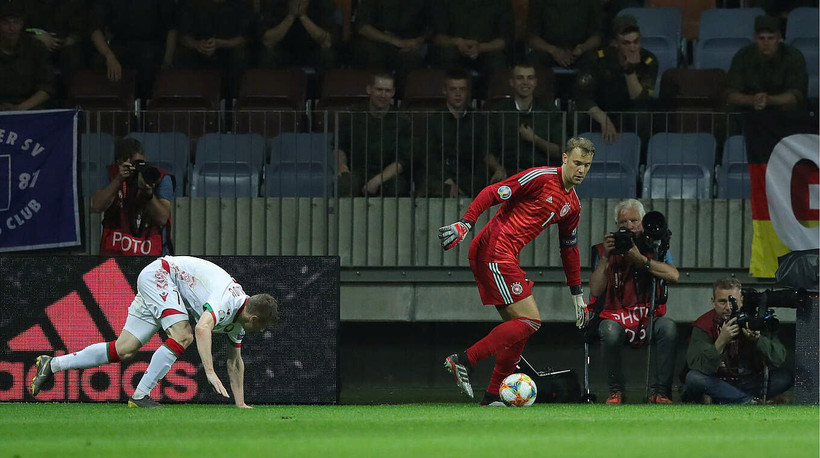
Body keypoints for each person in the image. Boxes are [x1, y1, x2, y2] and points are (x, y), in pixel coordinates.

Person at [439, 136, 594, 406]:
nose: (581, 170)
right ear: (565, 159)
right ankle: (462, 360)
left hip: (503, 255)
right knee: (531, 320)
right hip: (494, 251)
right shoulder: (541, 177)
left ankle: (491, 396)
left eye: (587, 165)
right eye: (578, 163)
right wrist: (466, 223)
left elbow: (569, 248)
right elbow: (492, 192)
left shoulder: (573, 205)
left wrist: (577, 293)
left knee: (520, 328)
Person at [30, 255, 281, 408]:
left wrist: (240, 403)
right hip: (161, 275)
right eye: (262, 327)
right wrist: (209, 372)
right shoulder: (227, 301)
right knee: (184, 334)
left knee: (124, 349)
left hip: (165, 284)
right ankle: (141, 395)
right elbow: (203, 327)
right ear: (254, 317)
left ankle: (52, 364)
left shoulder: (241, 318)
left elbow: (235, 362)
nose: (261, 332)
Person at [588, 199, 679, 404]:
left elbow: (674, 276)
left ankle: (661, 392)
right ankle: (616, 391)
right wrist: (605, 258)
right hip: (616, 316)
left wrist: (641, 260)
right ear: (616, 226)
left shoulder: (656, 246)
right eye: (623, 223)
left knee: (669, 328)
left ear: (643, 222)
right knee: (608, 331)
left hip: (648, 315)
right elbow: (595, 289)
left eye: (634, 221)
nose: (628, 226)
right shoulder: (605, 249)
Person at [682, 277, 793, 404]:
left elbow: (779, 358)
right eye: (722, 302)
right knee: (693, 379)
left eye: (733, 301)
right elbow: (697, 366)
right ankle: (748, 401)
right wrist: (720, 342)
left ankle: (730, 398)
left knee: (785, 377)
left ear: (741, 300)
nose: (728, 307)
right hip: (719, 381)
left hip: (749, 381)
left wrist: (758, 340)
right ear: (713, 302)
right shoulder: (704, 324)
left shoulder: (754, 320)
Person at [573, 14, 657, 144]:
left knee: (642, 115)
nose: (633, 48)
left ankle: (641, 160)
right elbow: (582, 97)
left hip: (629, 111)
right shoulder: (597, 59)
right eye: (626, 43)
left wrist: (630, 71)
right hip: (601, 109)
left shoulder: (648, 61)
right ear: (614, 43)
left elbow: (641, 101)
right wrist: (603, 118)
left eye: (636, 41)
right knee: (579, 116)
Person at [92, 138, 175, 256]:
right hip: (113, 257)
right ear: (120, 163)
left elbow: (162, 218)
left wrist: (148, 193)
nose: (136, 169)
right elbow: (96, 206)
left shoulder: (159, 177)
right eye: (132, 165)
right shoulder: (111, 174)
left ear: (145, 159)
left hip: (151, 255)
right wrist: (118, 179)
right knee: (98, 275)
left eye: (140, 163)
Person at [334, 72, 412, 197]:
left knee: (397, 186)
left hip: (388, 175)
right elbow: (339, 146)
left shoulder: (402, 120)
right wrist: (342, 166)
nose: (383, 95)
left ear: (393, 93)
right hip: (357, 172)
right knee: (345, 183)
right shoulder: (352, 116)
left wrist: (377, 180)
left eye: (387, 91)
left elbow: (402, 160)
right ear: (369, 89)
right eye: (379, 90)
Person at [485, 62, 565, 182]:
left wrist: (535, 139)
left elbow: (559, 151)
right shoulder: (498, 112)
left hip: (542, 177)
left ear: (535, 82)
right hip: (509, 176)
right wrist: (498, 169)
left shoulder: (550, 111)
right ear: (511, 82)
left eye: (530, 78)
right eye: (520, 78)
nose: (525, 82)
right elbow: (487, 152)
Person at [417, 68, 488, 197]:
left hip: (469, 176)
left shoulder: (478, 120)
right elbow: (429, 156)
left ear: (468, 91)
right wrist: (447, 179)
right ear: (445, 91)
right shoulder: (434, 120)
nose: (458, 94)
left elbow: (482, 154)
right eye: (453, 89)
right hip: (440, 176)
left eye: (462, 89)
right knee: (430, 185)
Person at [89, 0, 179, 99]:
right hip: (119, 46)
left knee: (147, 59)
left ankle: (146, 107)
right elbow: (94, 29)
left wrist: (167, 61)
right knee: (99, 62)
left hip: (152, 46)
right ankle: (109, 110)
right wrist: (109, 56)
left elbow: (172, 28)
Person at [725, 15, 808, 113]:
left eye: (770, 38)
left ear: (779, 38)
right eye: (761, 38)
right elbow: (731, 94)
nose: (766, 43)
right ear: (755, 38)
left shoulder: (793, 56)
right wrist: (752, 100)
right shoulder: (743, 56)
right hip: (749, 110)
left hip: (783, 112)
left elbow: (796, 95)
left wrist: (769, 100)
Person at [177, 0, 254, 100]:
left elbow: (245, 37)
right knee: (182, 55)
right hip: (198, 50)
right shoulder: (191, 3)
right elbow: (184, 36)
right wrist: (197, 45)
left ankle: (234, 105)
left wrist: (221, 43)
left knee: (240, 56)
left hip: (230, 50)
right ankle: (188, 105)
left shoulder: (241, 4)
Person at [431, 0, 511, 76]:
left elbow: (504, 39)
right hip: (454, 48)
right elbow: (438, 37)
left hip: (486, 51)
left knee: (497, 59)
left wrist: (481, 47)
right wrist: (457, 42)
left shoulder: (501, 2)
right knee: (446, 54)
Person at [0, 1, 55, 111]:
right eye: (6, 23)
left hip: (29, 107)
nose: (11, 28)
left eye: (16, 22)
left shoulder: (36, 48)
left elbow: (47, 87)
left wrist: (20, 108)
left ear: (22, 24)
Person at [350, 0, 428, 77]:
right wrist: (397, 42)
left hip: (410, 42)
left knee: (415, 57)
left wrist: (418, 42)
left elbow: (430, 27)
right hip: (377, 40)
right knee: (372, 54)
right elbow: (362, 27)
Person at [258, 0, 337, 70]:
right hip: (283, 51)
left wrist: (303, 16)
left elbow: (327, 42)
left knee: (327, 56)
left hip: (312, 51)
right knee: (268, 56)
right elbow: (267, 41)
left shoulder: (323, 4)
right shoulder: (276, 4)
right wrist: (291, 16)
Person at [527, 0, 602, 71]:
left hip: (580, 52)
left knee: (597, 57)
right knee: (533, 58)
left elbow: (596, 37)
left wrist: (583, 48)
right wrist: (553, 50)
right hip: (548, 51)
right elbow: (532, 38)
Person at [22, 0, 87, 75]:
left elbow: (78, 31)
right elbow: (22, 28)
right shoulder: (27, 4)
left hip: (62, 46)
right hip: (34, 42)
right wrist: (36, 36)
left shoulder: (73, 4)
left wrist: (65, 40)